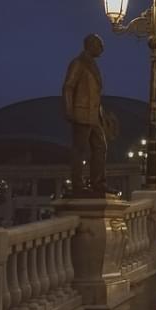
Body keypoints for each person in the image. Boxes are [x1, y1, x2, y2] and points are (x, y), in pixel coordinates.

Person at [62, 34, 108, 195]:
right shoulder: (78, 63)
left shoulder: (92, 64)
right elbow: (68, 86)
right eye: (100, 45)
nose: (102, 49)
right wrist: (69, 110)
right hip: (81, 112)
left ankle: (98, 184)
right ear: (91, 45)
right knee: (79, 150)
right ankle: (77, 186)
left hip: (95, 115)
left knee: (101, 147)